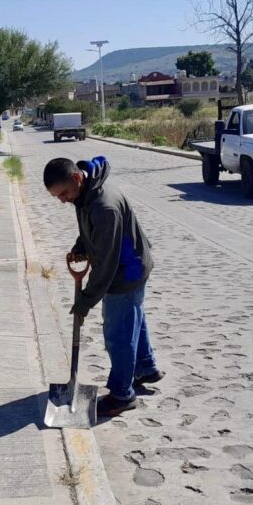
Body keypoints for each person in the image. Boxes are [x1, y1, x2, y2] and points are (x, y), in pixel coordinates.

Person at [42, 155, 162, 417]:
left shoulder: (104, 206)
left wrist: (85, 301)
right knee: (133, 318)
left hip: (126, 271)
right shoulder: (85, 191)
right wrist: (81, 246)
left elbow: (106, 265)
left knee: (118, 334)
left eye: (63, 194)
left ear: (76, 177)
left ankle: (122, 394)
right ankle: (145, 367)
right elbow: (92, 229)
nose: (62, 200)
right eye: (57, 197)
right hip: (132, 264)